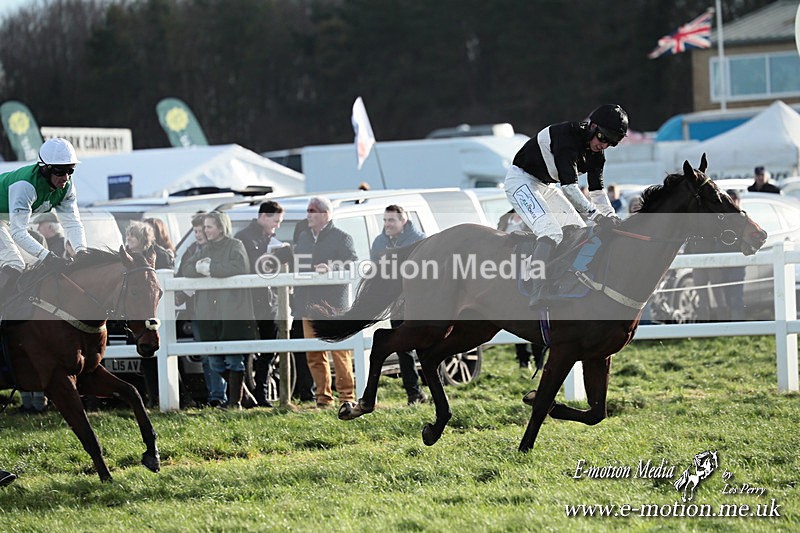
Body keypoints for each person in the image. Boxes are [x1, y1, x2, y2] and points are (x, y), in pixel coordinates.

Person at [503, 104, 628, 306]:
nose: (603, 145)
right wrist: (597, 216)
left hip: (545, 185)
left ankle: (558, 278)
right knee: (551, 231)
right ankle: (537, 287)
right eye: (603, 137)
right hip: (520, 181)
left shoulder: (597, 154)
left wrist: (610, 216)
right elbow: (569, 188)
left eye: (611, 143)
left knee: (578, 231)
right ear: (592, 126)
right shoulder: (568, 138)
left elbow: (597, 192)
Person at [184, 212, 258, 409]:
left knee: (234, 359)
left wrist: (212, 268)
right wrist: (200, 269)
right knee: (215, 362)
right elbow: (187, 269)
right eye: (205, 227)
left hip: (232, 311)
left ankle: (235, 403)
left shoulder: (235, 245)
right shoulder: (204, 248)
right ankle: (245, 396)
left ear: (220, 227)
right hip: (210, 313)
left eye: (209, 226)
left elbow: (240, 265)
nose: (205, 230)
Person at [0, 137, 88, 301]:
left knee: (35, 263)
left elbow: (73, 223)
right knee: (15, 264)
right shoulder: (25, 186)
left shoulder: (67, 187)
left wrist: (82, 252)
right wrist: (49, 257)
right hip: (6, 221)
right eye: (60, 171)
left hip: (6, 219)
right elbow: (18, 233)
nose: (66, 177)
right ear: (45, 169)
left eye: (70, 170)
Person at [294, 196, 359, 408]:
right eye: (308, 210)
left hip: (334, 307)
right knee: (314, 353)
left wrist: (332, 267)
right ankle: (323, 398)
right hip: (308, 304)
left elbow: (352, 264)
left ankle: (347, 397)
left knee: (340, 353)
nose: (308, 214)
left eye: (312, 210)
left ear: (324, 213)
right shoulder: (303, 237)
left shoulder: (342, 237)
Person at [370, 205, 428, 404]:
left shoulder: (418, 239)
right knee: (403, 348)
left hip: (419, 301)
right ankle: (414, 393)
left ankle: (433, 388)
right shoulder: (379, 242)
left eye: (391, 220)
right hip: (396, 303)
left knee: (427, 345)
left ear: (403, 221)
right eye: (385, 220)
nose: (387, 224)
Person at [234, 200, 287, 407]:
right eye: (276, 221)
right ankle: (248, 394)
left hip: (268, 300)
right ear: (263, 217)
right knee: (247, 350)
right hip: (250, 301)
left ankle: (261, 393)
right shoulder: (244, 238)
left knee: (269, 348)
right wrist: (275, 257)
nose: (278, 225)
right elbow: (253, 266)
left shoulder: (269, 238)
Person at [177, 212, 227, 407]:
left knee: (219, 353)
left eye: (201, 230)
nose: (198, 234)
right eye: (196, 230)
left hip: (216, 308)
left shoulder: (217, 250)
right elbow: (183, 273)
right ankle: (214, 395)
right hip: (196, 310)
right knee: (206, 354)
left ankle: (219, 395)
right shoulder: (191, 250)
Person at [496, 209, 533, 369]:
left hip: (526, 265)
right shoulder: (505, 218)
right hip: (505, 267)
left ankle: (536, 358)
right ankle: (523, 359)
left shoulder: (531, 219)